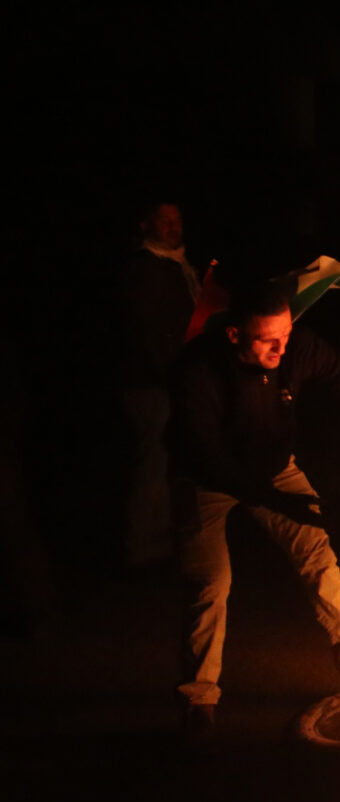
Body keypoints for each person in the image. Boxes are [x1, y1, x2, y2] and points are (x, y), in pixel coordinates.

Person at [167, 277, 340, 733]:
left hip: (275, 467)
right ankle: (198, 700)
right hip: (206, 480)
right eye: (268, 340)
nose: (281, 349)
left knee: (318, 556)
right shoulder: (197, 371)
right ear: (235, 335)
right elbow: (207, 455)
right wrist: (278, 502)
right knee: (211, 584)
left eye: (287, 335)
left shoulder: (299, 348)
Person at [119, 200, 200, 568]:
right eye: (164, 220)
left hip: (173, 378)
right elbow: (148, 331)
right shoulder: (146, 270)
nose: (173, 226)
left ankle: (165, 543)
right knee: (152, 460)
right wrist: (170, 374)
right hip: (152, 383)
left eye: (177, 219)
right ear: (145, 224)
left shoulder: (178, 267)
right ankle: (143, 549)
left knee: (167, 460)